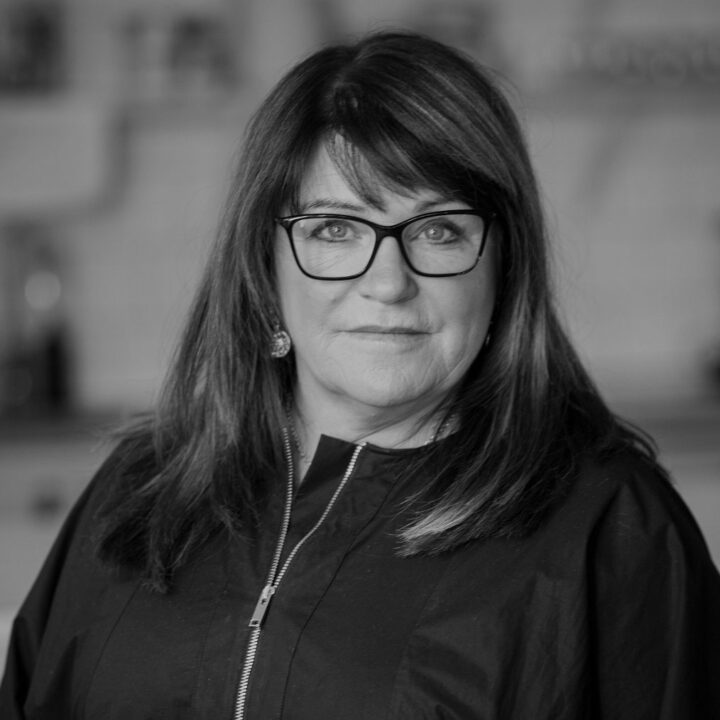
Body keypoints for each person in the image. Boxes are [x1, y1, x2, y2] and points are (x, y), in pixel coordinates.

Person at [1, 31, 719, 720]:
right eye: (335, 229)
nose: (388, 281)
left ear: (504, 269)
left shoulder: (611, 528)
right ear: (264, 270)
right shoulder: (141, 487)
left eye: (439, 230)